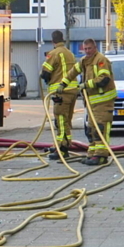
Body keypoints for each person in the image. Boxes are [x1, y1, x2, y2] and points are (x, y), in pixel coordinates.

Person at [69, 39, 117, 166]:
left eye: (90, 48)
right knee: (91, 129)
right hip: (92, 103)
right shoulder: (85, 61)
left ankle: (101, 156)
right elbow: (73, 72)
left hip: (103, 101)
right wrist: (63, 84)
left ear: (95, 48)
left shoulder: (101, 60)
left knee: (100, 129)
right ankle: (92, 153)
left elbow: (104, 79)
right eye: (85, 49)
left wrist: (86, 85)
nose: (87, 51)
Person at [41, 30, 79, 160]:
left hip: (60, 92)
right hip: (73, 91)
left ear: (53, 41)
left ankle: (62, 149)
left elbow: (45, 73)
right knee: (67, 120)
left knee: (60, 121)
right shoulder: (70, 53)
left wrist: (46, 78)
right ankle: (64, 144)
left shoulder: (54, 54)